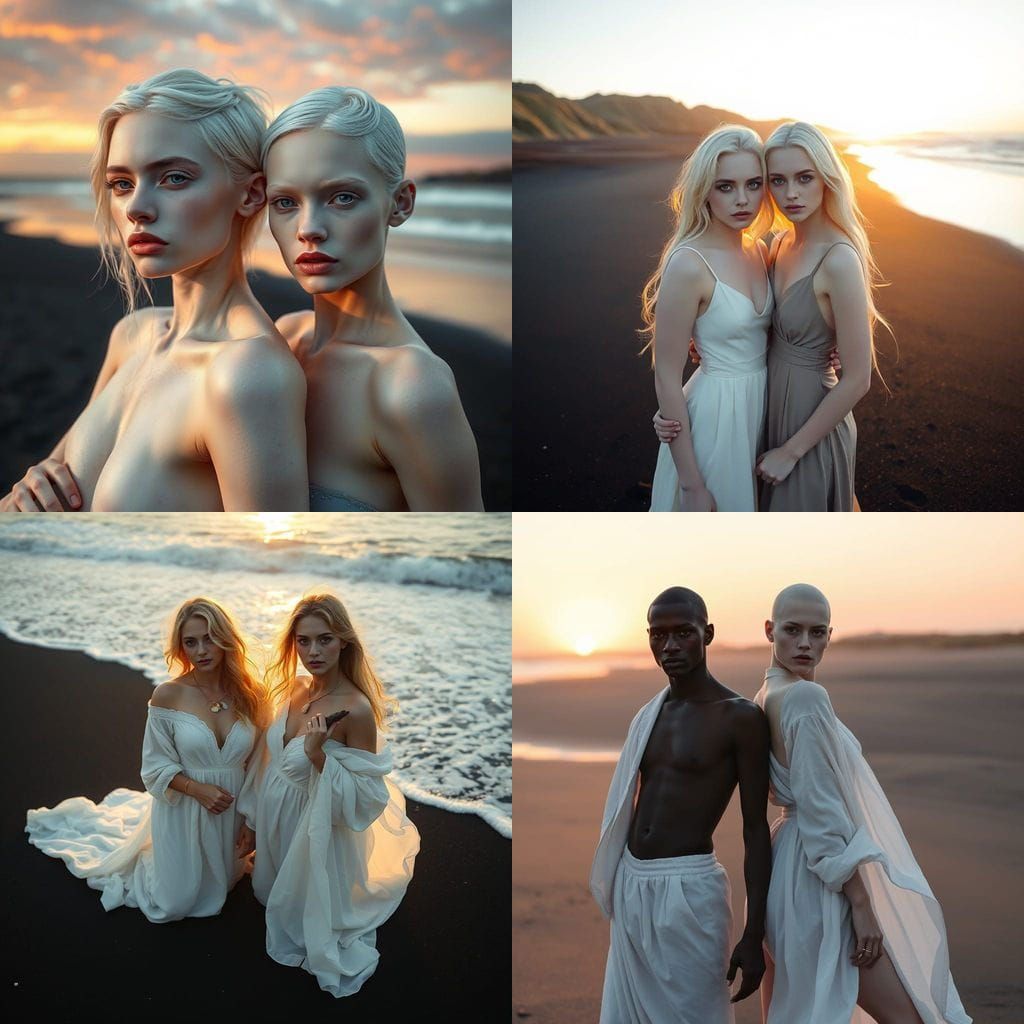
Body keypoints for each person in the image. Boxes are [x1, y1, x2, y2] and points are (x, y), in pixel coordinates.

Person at [1, 68, 308, 512]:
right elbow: (41, 496)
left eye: (174, 178)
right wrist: (25, 492)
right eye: (121, 184)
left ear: (251, 193)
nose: (137, 208)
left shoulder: (249, 373)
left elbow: (273, 552)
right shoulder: (133, 336)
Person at [755, 584, 971, 1023]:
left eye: (817, 632)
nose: (805, 643)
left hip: (785, 869)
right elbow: (821, 812)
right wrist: (860, 903)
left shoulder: (765, 695)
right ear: (769, 630)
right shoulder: (805, 698)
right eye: (792, 630)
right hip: (818, 876)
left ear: (830, 635)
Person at [262, 86, 484, 511]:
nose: (309, 229)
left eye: (342, 197)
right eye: (285, 202)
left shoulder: (413, 387)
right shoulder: (284, 339)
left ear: (400, 203)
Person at [590, 586, 771, 1023]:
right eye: (659, 634)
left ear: (707, 634)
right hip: (632, 881)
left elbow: (755, 829)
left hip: (690, 891)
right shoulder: (651, 714)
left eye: (683, 633)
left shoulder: (739, 717)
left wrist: (754, 935)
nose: (669, 646)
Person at [25, 598, 267, 922]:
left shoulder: (253, 694)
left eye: (209, 639)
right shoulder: (169, 694)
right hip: (183, 809)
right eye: (190, 642)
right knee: (174, 904)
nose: (201, 651)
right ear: (180, 647)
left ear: (226, 639)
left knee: (222, 887)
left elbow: (259, 765)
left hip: (231, 812)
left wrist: (251, 822)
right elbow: (154, 767)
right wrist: (198, 790)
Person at [237, 592, 418, 997]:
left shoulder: (355, 709)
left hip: (311, 830)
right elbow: (269, 760)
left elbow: (367, 798)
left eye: (325, 639)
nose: (313, 651)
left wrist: (317, 754)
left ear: (344, 641)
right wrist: (251, 818)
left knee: (301, 921)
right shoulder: (296, 687)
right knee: (266, 894)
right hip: (274, 819)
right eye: (303, 641)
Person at [755, 123, 889, 511]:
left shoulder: (839, 259)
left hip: (809, 426)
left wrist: (791, 452)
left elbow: (858, 379)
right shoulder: (779, 243)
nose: (790, 193)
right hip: (768, 407)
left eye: (804, 177)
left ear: (826, 178)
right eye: (778, 180)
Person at [644, 125, 774, 512]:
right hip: (716, 418)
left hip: (762, 408)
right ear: (704, 190)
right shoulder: (689, 263)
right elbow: (666, 376)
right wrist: (691, 485)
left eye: (753, 184)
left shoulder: (759, 251)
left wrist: (827, 351)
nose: (742, 199)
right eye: (725, 186)